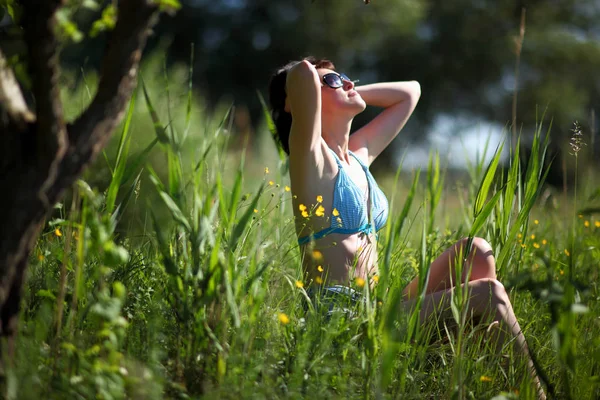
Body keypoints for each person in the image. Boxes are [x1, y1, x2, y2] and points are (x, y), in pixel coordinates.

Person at [268, 57, 546, 399]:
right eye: (334, 80)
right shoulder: (308, 158)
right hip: (343, 321)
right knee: (489, 294)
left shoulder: (357, 155)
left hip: (380, 307)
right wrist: (317, 78)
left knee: (476, 250)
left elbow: (409, 94)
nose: (349, 81)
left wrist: (346, 90)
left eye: (346, 77)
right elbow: (300, 75)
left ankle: (480, 383)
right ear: (296, 101)